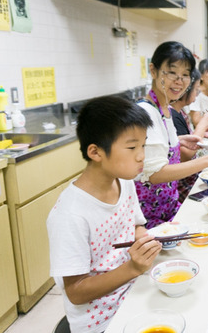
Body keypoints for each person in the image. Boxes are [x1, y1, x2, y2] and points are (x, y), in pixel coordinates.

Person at [47, 96, 163, 333]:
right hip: (100, 320)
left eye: (143, 145)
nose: (141, 155)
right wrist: (132, 268)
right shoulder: (70, 214)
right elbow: (76, 292)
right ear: (95, 152)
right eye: (132, 147)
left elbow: (137, 225)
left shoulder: (124, 182)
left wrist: (143, 241)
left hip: (132, 291)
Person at [136, 41, 208, 228]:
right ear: (153, 70)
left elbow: (156, 150)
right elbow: (154, 174)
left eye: (185, 75)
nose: (179, 81)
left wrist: (178, 141)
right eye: (172, 72)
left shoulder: (164, 109)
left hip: (169, 206)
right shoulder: (146, 112)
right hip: (152, 217)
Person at [169, 69, 208, 201]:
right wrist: (202, 125)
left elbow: (186, 139)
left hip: (190, 175)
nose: (198, 93)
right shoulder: (172, 115)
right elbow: (185, 155)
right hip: (183, 184)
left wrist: (203, 133)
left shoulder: (179, 111)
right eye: (196, 89)